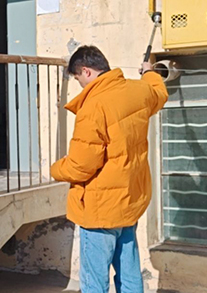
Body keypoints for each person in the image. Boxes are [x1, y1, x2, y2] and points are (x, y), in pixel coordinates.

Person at [50, 46, 168, 293]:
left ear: (86, 71)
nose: (80, 84)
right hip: (129, 202)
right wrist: (149, 72)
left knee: (95, 281)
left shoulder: (93, 105)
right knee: (129, 274)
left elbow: (81, 166)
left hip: (100, 208)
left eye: (78, 78)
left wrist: (56, 169)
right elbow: (159, 92)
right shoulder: (139, 91)